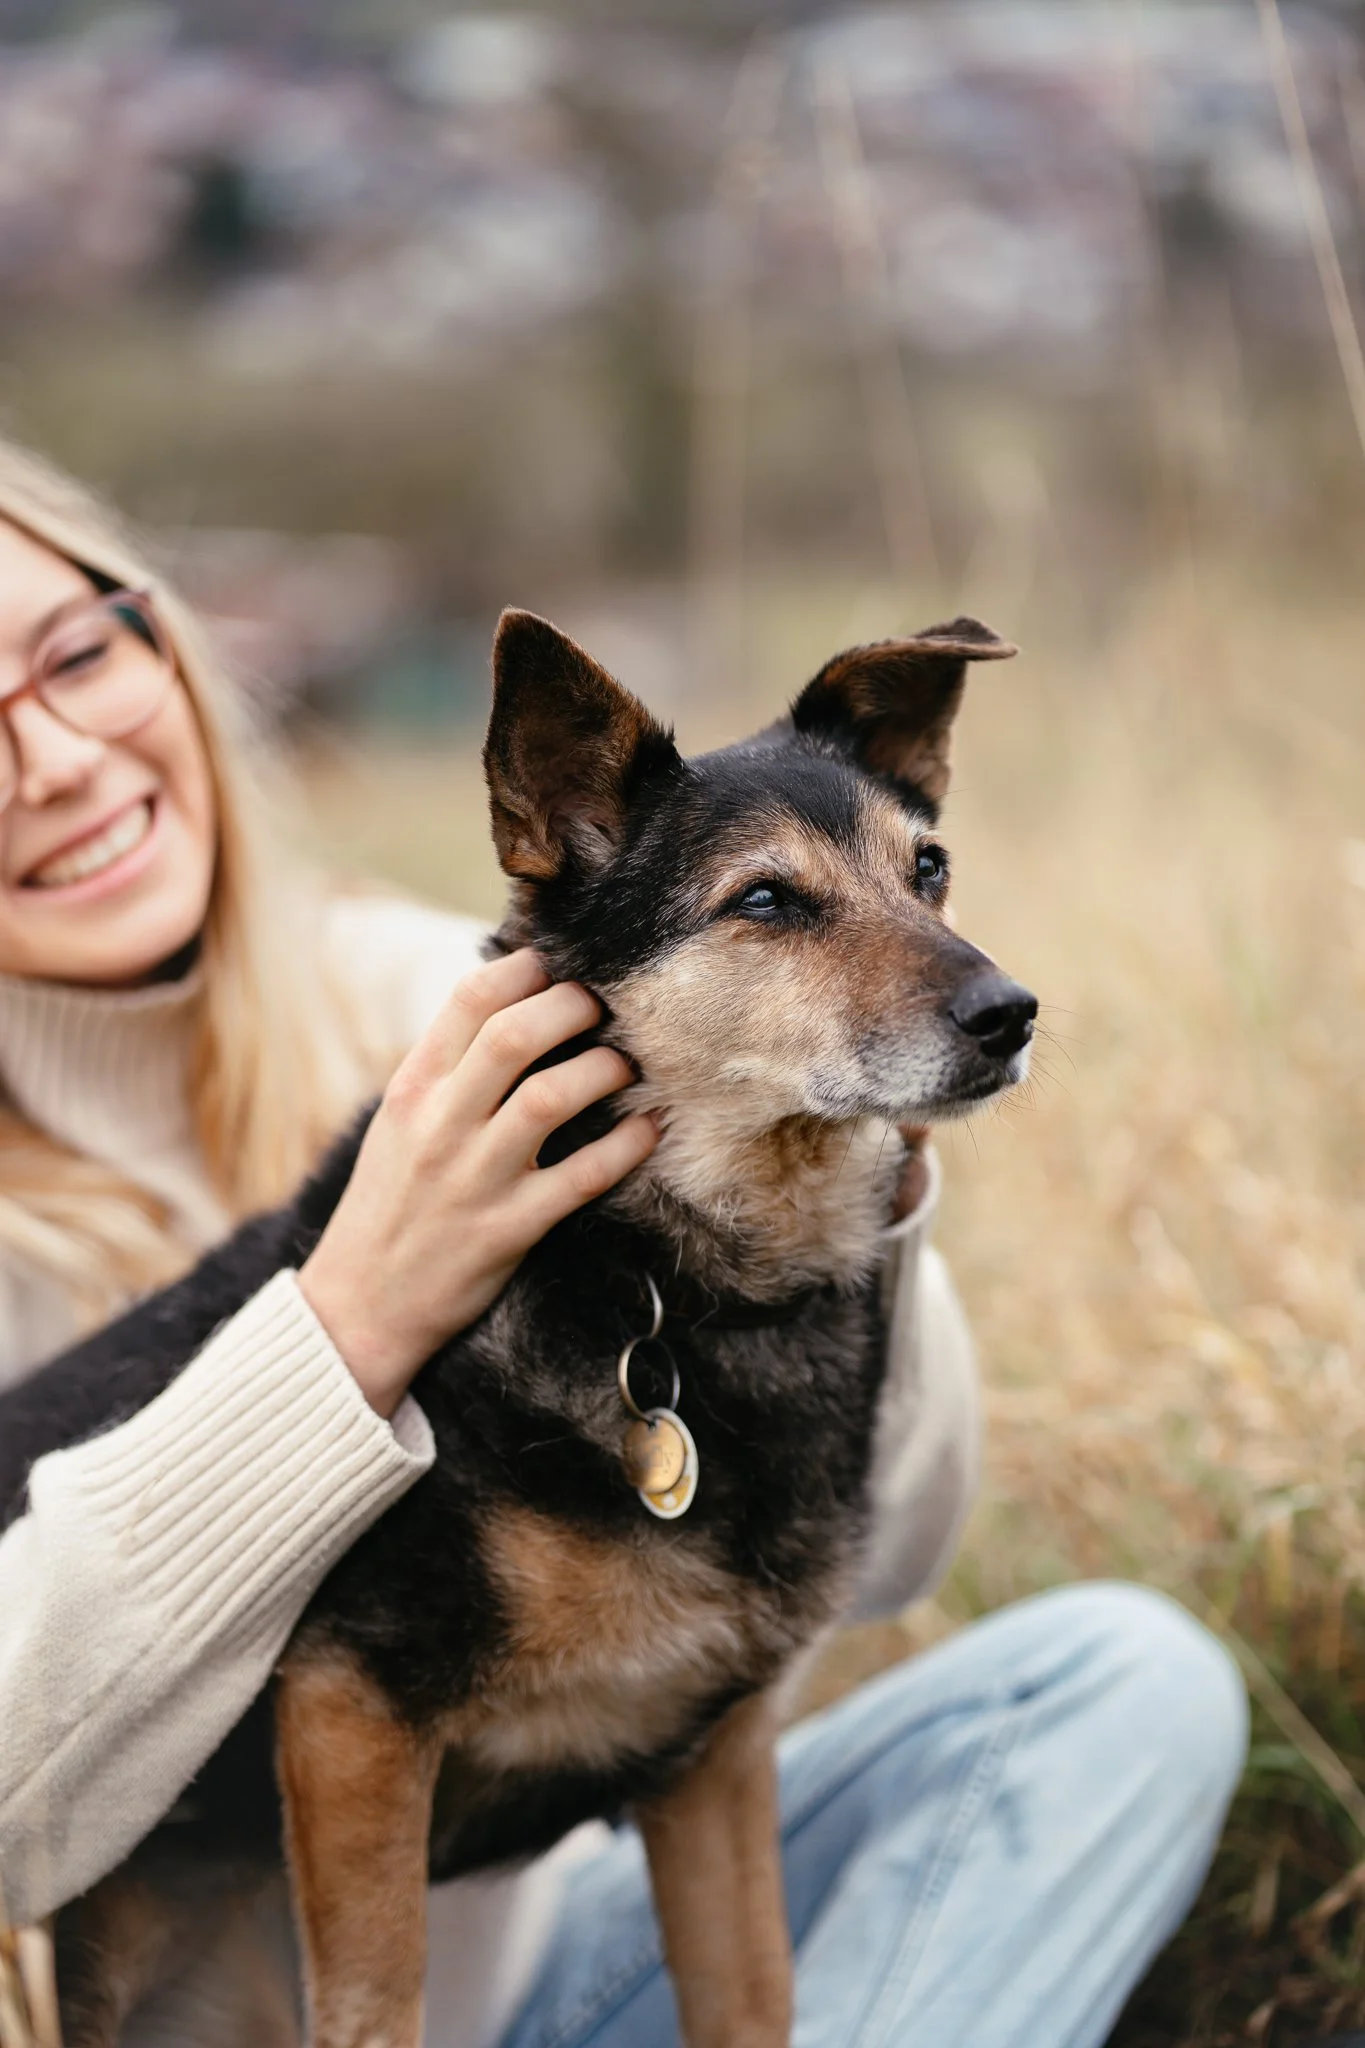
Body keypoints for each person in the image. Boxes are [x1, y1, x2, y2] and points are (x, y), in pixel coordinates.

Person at [0, 438, 1247, 2048]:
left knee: (1119, 1678)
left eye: (75, 655)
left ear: (162, 639)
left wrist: (863, 1184)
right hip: (265, 2004)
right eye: (776, 909)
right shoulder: (522, 1021)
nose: (53, 759)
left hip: (566, 1957)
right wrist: (352, 1321)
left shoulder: (449, 994)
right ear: (557, 813)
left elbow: (894, 1554)